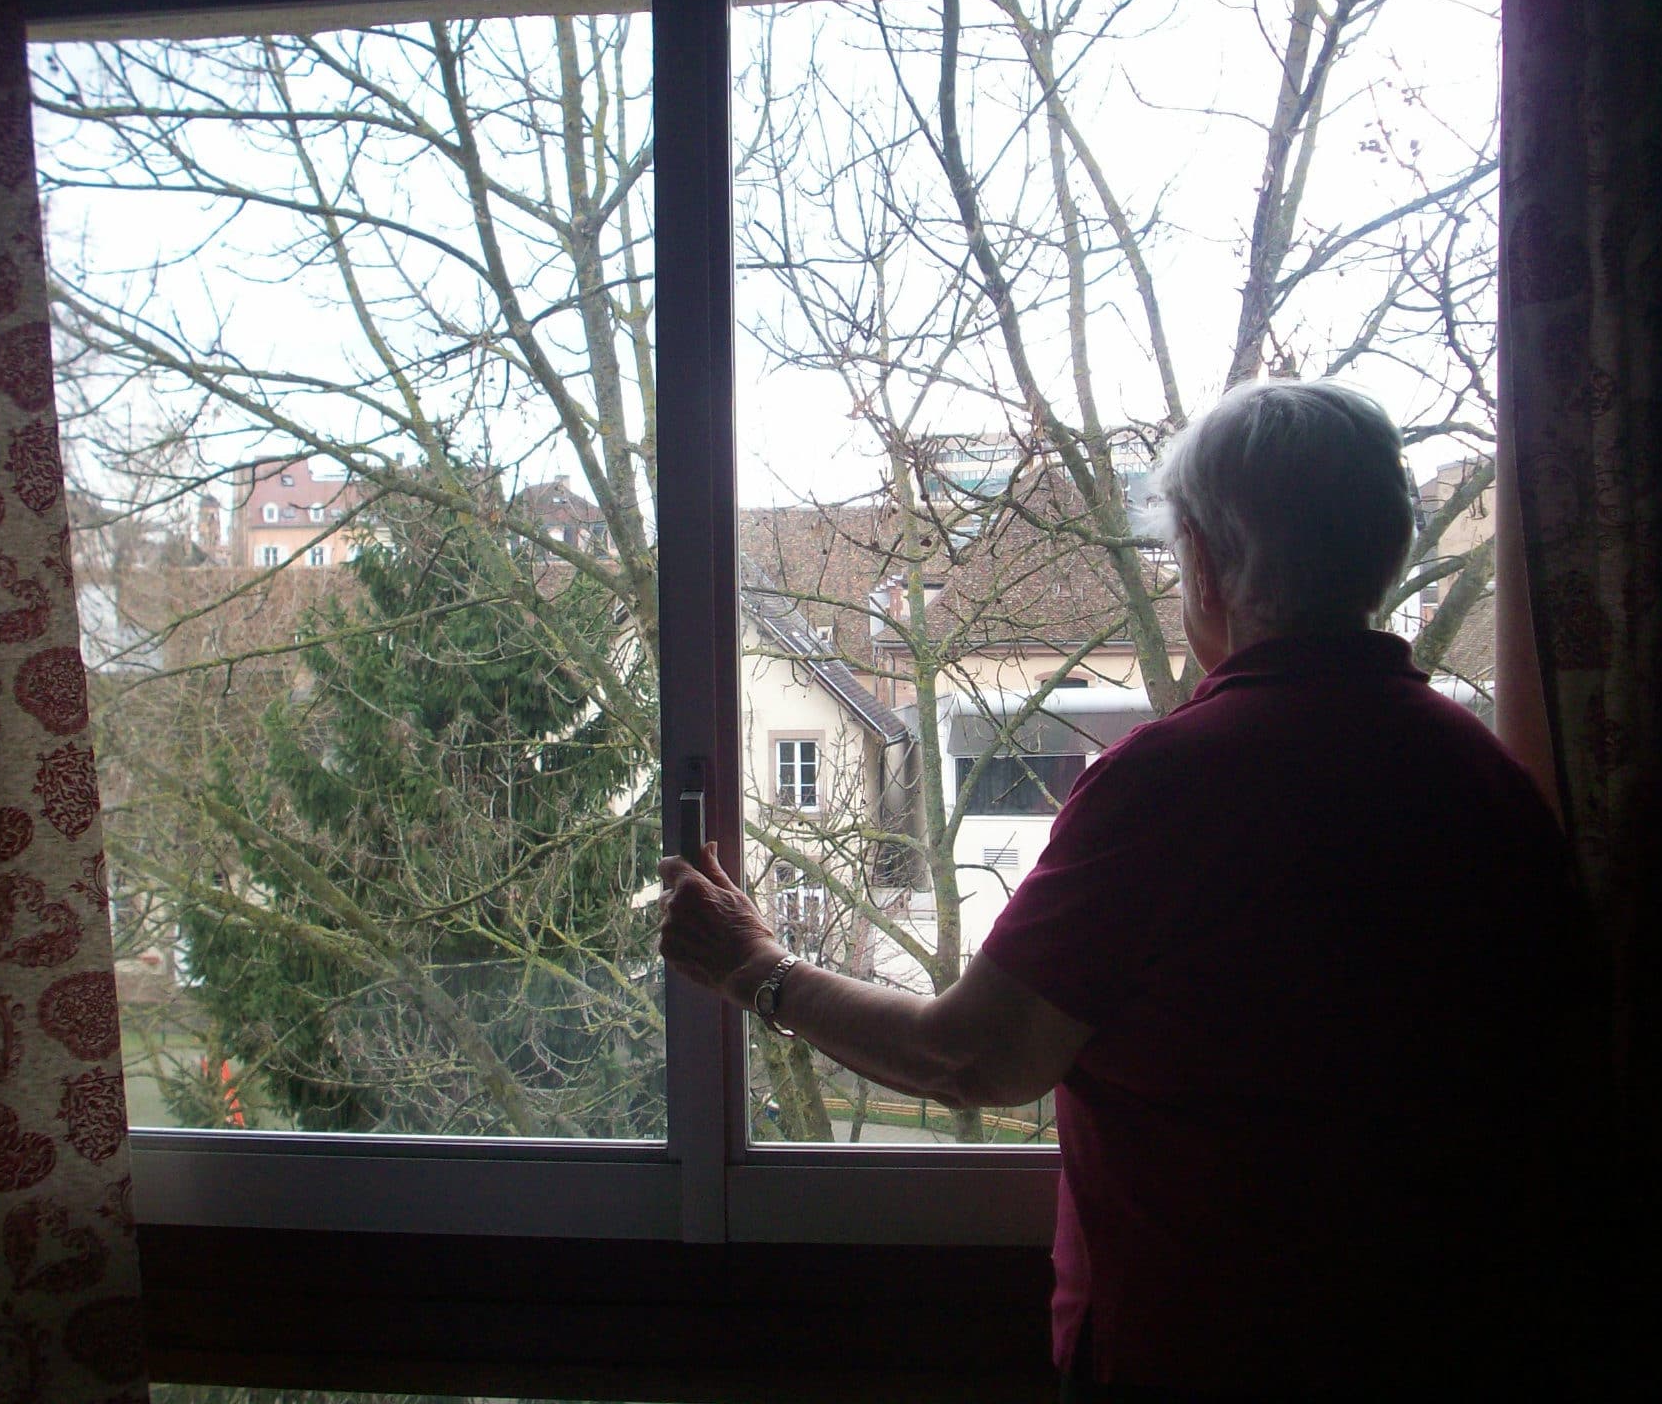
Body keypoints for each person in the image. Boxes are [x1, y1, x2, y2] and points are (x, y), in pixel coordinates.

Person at [660, 382, 1605, 1400]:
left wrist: (756, 970)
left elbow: (972, 1052)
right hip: (1465, 1347)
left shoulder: (1174, 784)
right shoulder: (1485, 777)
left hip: (1208, 1352)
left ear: (1201, 556)